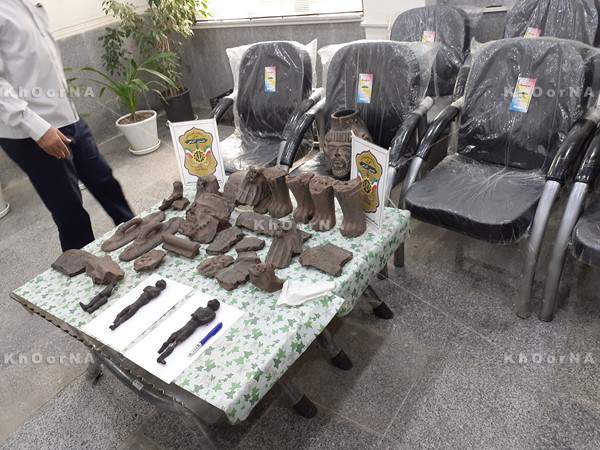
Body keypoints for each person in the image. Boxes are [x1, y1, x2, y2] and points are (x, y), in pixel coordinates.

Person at [0, 0, 134, 251]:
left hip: (66, 115)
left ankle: (139, 237)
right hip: (29, 131)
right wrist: (36, 127)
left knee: (105, 182)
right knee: (70, 210)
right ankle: (83, 269)